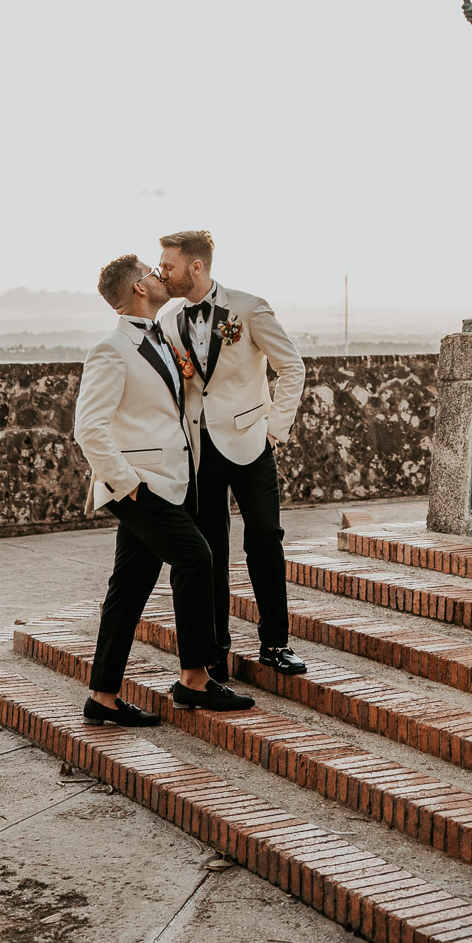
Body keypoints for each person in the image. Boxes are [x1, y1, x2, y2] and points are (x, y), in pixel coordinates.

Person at [73, 253, 255, 723]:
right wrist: (128, 485)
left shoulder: (159, 336)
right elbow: (88, 428)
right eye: (151, 273)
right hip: (141, 487)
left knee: (128, 589)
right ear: (137, 288)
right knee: (196, 559)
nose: (159, 277)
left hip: (171, 482)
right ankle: (194, 680)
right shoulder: (111, 350)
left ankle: (102, 697)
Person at [158, 230, 308, 680]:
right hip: (200, 451)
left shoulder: (248, 307)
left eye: (168, 264)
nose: (162, 271)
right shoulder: (168, 317)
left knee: (265, 541)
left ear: (196, 267)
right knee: (210, 552)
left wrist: (274, 430)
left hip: (251, 443)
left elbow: (292, 366)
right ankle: (214, 653)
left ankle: (275, 643)